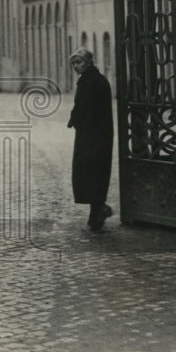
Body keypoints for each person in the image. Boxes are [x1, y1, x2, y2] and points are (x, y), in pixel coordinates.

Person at [67, 48, 114, 231]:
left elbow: (83, 106)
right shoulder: (99, 80)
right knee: (97, 172)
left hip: (90, 136)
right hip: (100, 135)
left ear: (88, 62)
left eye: (78, 63)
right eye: (73, 64)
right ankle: (97, 211)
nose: (76, 67)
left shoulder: (88, 82)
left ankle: (98, 211)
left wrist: (74, 120)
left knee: (89, 172)